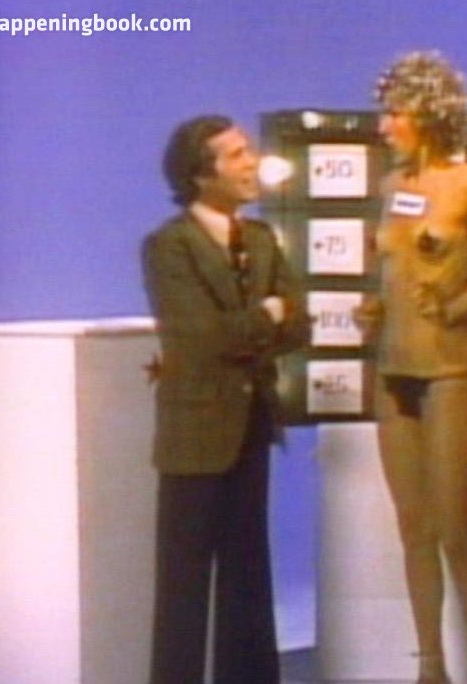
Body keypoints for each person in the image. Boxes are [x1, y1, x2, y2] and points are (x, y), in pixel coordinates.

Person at [355, 52, 467, 683]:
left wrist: (454, 306)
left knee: (454, 533)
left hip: (450, 371)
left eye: (393, 113)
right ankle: (430, 666)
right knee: (413, 531)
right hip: (392, 370)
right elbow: (387, 270)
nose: (383, 126)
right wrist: (372, 307)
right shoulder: (391, 188)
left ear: (427, 114)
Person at [142, 115, 307, 684]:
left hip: (251, 426)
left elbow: (298, 325)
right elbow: (202, 338)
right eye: (236, 155)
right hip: (194, 436)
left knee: (248, 578)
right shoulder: (169, 246)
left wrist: (263, 321)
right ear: (200, 174)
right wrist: (266, 314)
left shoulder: (261, 239)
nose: (252, 161)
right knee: (183, 586)